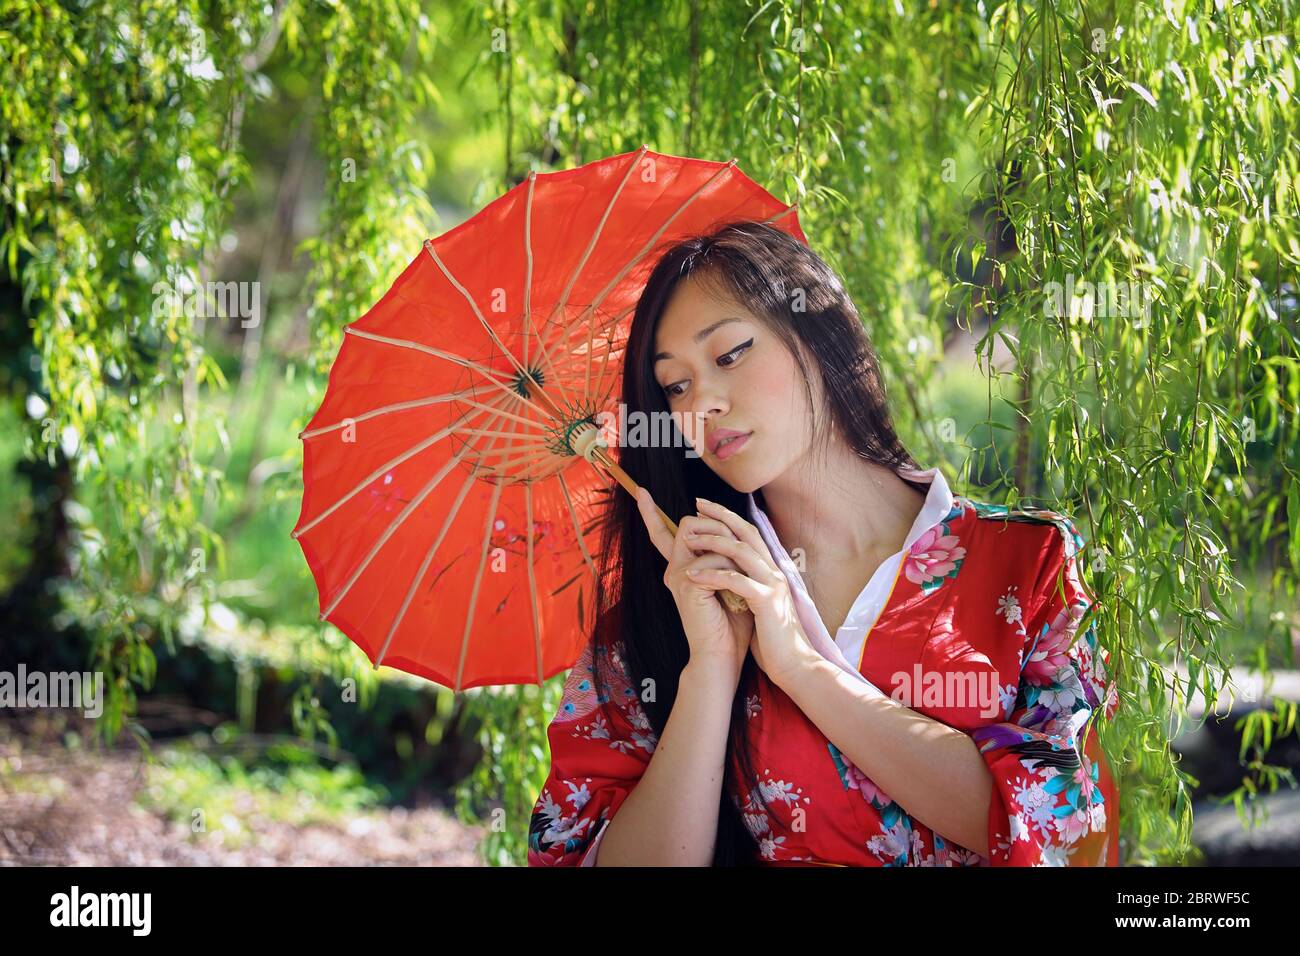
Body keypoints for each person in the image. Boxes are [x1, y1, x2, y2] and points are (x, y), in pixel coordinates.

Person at [526, 220, 1120, 866]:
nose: (705, 404)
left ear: (820, 337)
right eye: (675, 386)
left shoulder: (1026, 564)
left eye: (729, 354)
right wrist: (712, 671)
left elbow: (1061, 824)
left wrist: (800, 668)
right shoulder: (668, 609)